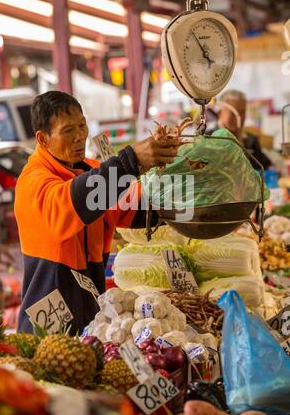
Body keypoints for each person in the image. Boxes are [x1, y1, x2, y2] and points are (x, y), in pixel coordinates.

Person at [14, 91, 180, 334]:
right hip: (47, 329)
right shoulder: (34, 180)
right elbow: (72, 203)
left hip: (92, 319)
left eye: (82, 125)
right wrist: (130, 161)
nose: (80, 136)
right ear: (42, 139)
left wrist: (190, 199)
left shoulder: (90, 172)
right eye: (68, 130)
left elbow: (138, 209)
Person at [217, 89, 271, 171]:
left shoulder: (250, 140)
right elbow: (191, 175)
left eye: (242, 112)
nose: (238, 118)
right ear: (219, 112)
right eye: (233, 113)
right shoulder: (207, 139)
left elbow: (265, 165)